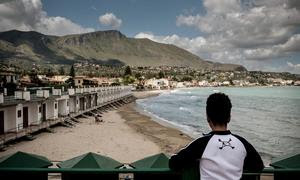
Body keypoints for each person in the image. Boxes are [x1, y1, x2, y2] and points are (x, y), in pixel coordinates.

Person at [169, 93, 264, 180]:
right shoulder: (242, 143)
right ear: (229, 117)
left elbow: (174, 163)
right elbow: (258, 166)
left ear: (207, 117)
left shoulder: (201, 143)